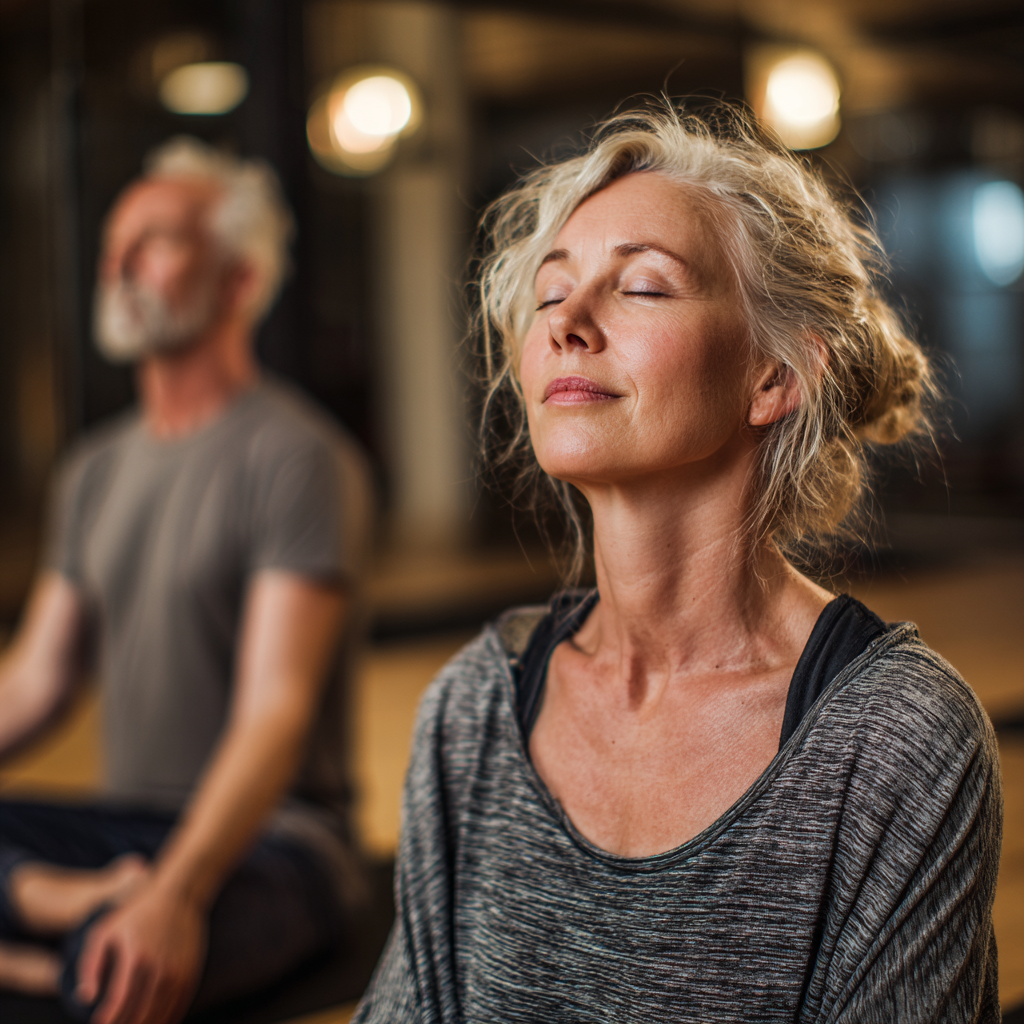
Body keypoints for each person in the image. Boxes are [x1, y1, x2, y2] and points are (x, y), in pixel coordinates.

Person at [354, 104, 1002, 1024]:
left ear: (775, 376)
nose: (568, 322)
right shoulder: (475, 710)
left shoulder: (894, 739)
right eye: (550, 293)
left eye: (644, 287)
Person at [0, 137, 373, 1024]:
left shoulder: (297, 458)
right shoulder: (92, 470)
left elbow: (274, 715)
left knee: (119, 971)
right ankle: (60, 908)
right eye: (114, 243)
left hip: (277, 842)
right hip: (123, 831)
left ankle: (42, 945)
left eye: (156, 241)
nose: (119, 263)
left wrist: (173, 893)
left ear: (239, 280)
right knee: (109, 948)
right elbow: (38, 678)